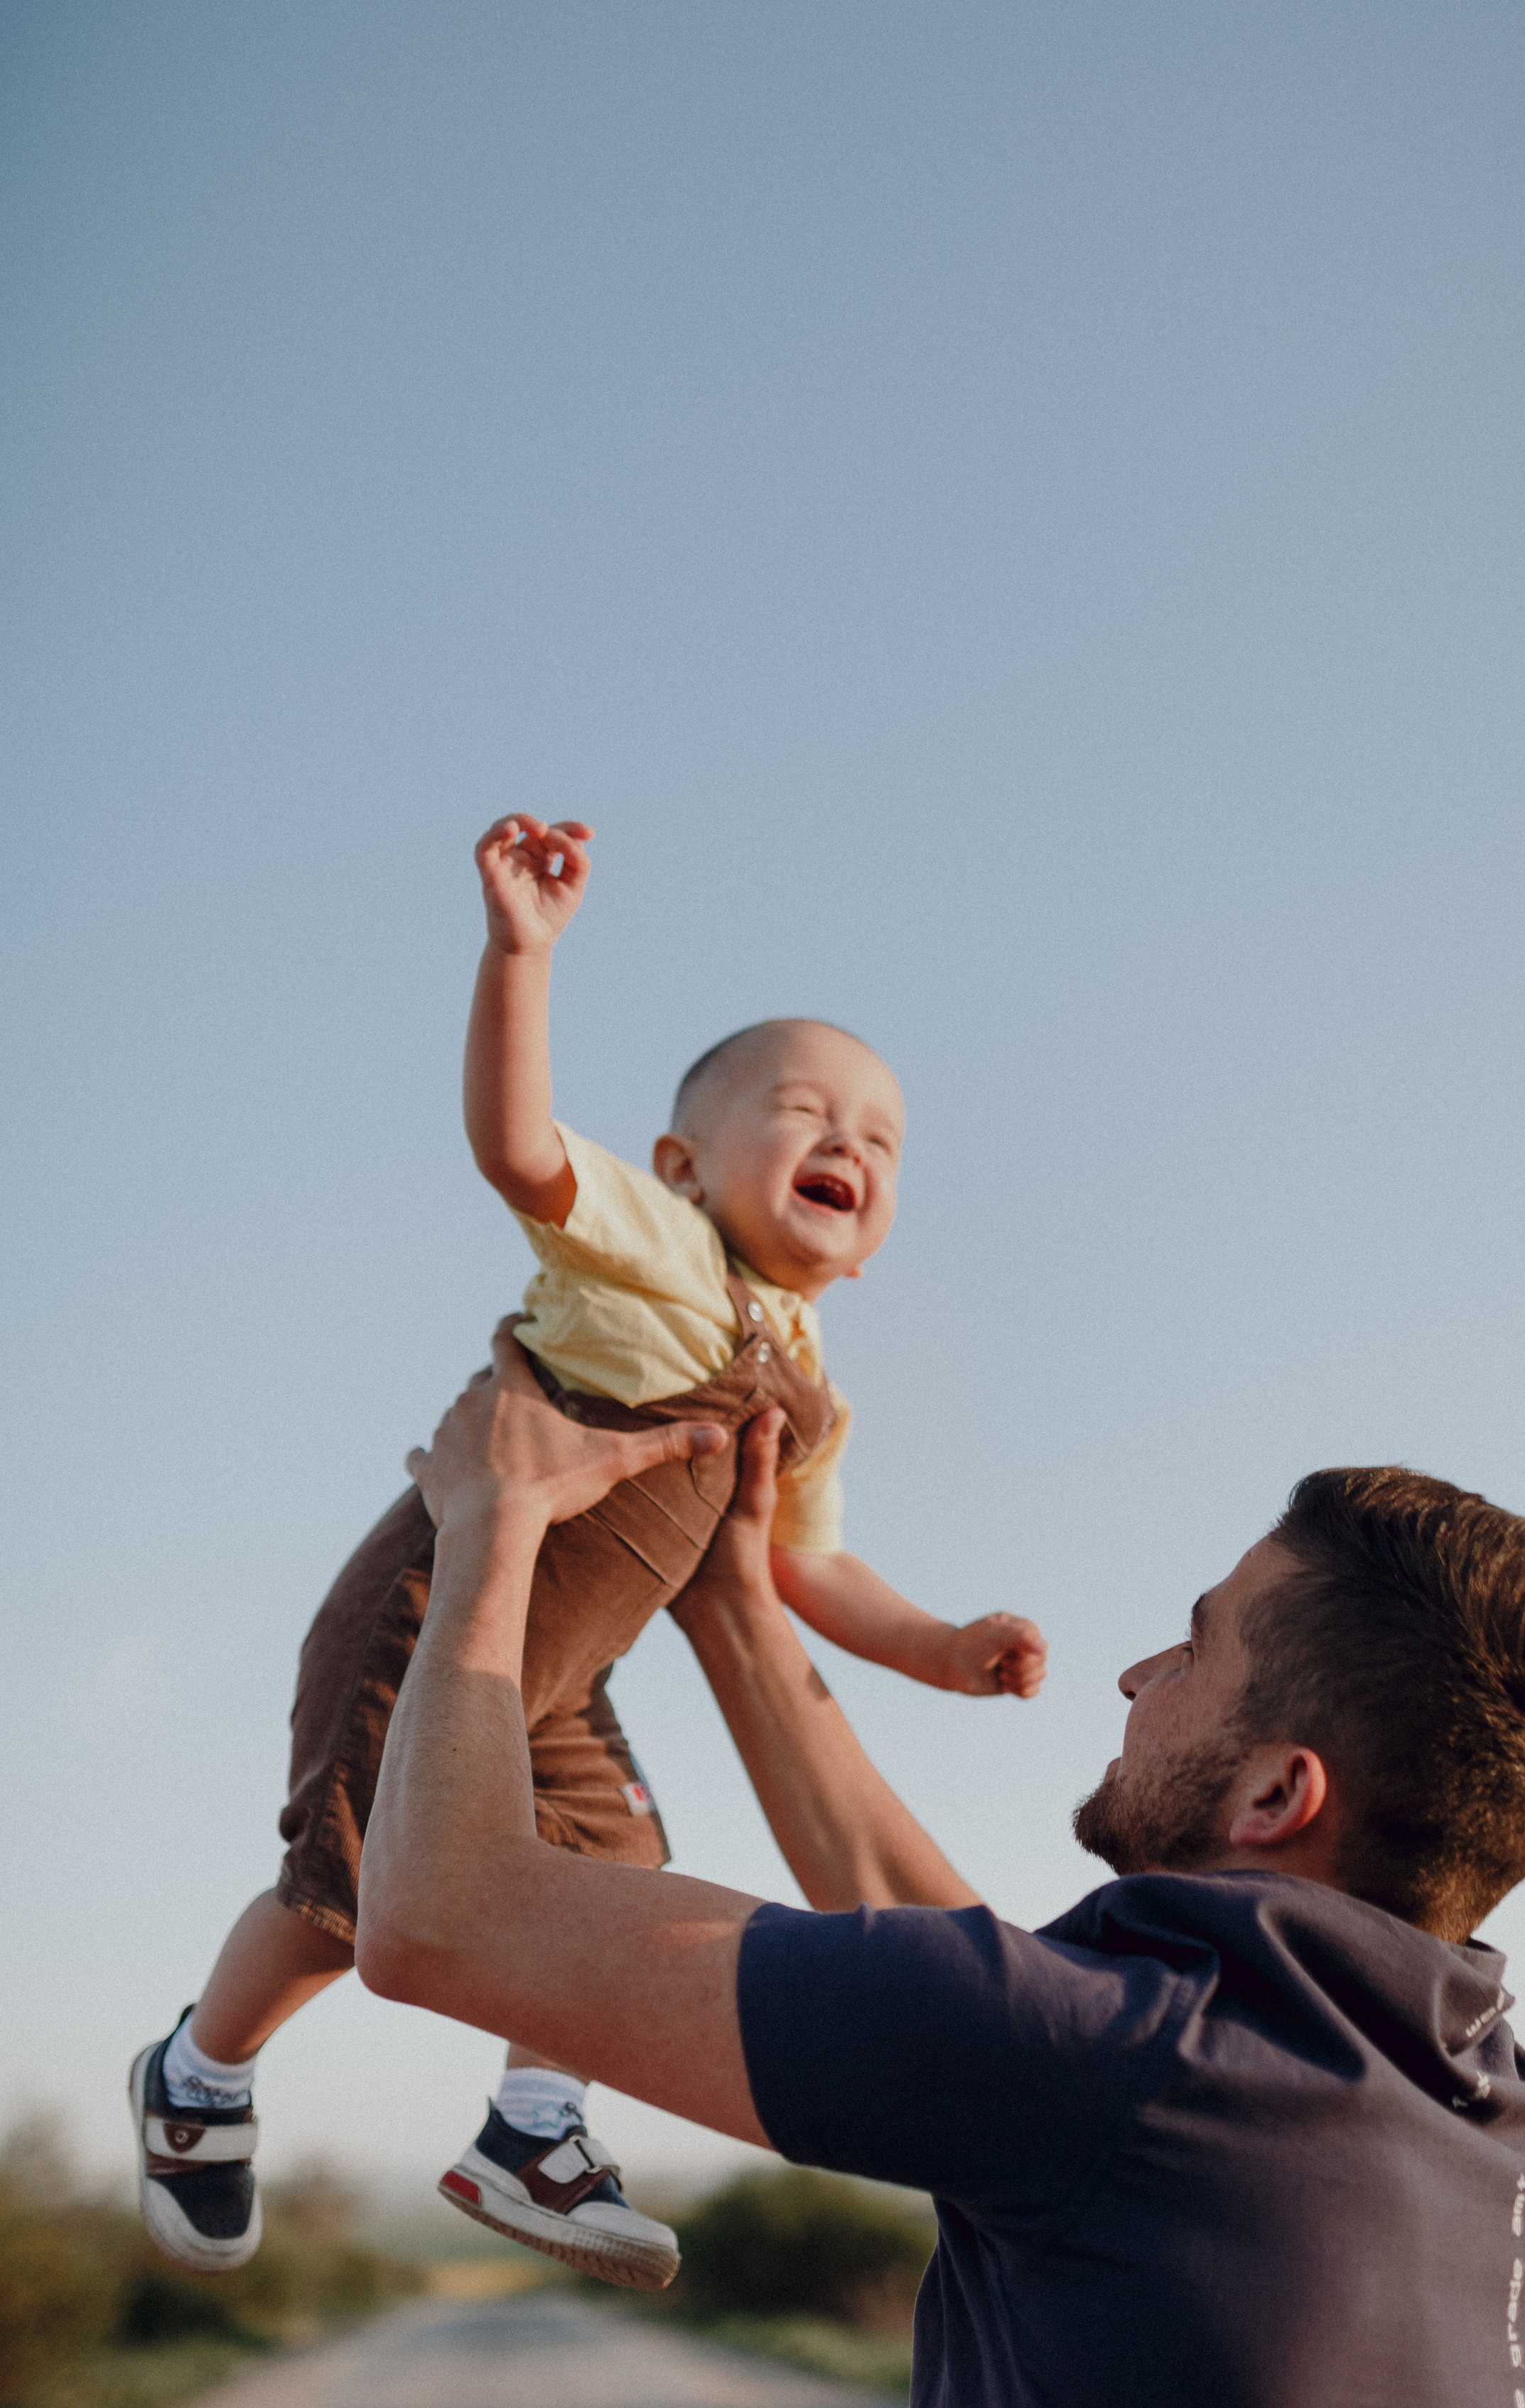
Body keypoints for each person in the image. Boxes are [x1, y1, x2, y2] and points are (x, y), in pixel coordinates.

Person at [355, 1324, 1525, 2408]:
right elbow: (962, 1984)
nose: (1136, 1675)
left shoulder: (1120, 2070)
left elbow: (436, 1915)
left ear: (1276, 1795)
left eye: (1193, 1647)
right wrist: (732, 1599)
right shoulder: (1524, 2137)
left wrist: (493, 1520)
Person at [130, 814, 1046, 2293]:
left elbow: (804, 1569)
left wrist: (941, 1649)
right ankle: (198, 2072)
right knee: (348, 1892)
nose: (846, 1145)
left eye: (879, 1140)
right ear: (681, 1165)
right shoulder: (651, 1246)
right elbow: (516, 1145)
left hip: (554, 1680)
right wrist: (522, 956)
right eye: (803, 1112)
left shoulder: (812, 1391)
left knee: (609, 1867)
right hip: (431, 1616)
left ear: (873, 1238)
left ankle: (532, 2130)